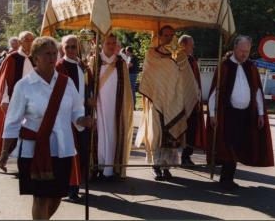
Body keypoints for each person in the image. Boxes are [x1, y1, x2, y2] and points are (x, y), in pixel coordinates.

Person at [0, 36, 94, 220]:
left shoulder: (66, 83)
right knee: (40, 199)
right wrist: (4, 151)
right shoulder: (24, 86)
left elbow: (76, 112)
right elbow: (12, 122)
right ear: (35, 58)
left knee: (57, 196)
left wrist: (83, 120)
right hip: (34, 152)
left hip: (62, 149)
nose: (52, 57)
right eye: (46, 54)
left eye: (54, 53)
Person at [207, 35, 274, 190]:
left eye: (247, 51)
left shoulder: (251, 67)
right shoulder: (224, 66)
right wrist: (212, 114)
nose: (244, 54)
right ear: (235, 48)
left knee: (238, 145)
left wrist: (260, 114)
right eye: (242, 50)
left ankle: (228, 178)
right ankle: (225, 179)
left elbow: (257, 91)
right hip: (227, 114)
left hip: (246, 114)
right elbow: (214, 93)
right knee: (228, 145)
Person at [135, 25, 199, 181]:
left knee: (171, 135)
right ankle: (157, 166)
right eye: (166, 35)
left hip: (174, 100)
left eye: (172, 35)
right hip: (156, 100)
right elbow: (150, 76)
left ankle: (167, 166)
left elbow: (186, 77)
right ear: (160, 35)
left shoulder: (180, 54)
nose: (169, 38)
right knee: (157, 134)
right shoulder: (151, 53)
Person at [55, 35, 93, 202]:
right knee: (70, 153)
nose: (71, 49)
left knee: (82, 150)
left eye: (73, 46)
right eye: (68, 46)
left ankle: (76, 185)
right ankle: (71, 188)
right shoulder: (59, 66)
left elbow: (89, 86)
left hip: (83, 114)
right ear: (62, 48)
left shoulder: (82, 65)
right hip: (67, 116)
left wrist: (91, 97)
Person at [0, 31, 35, 158]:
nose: (29, 42)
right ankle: (7, 155)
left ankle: (25, 156)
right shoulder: (12, 58)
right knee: (12, 127)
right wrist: (5, 100)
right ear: (20, 42)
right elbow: (5, 81)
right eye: (26, 39)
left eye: (31, 39)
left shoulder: (35, 58)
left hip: (33, 99)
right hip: (15, 99)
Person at [93, 34, 133, 180]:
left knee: (112, 133)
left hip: (116, 106)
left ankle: (110, 169)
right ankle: (98, 166)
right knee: (99, 133)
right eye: (108, 43)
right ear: (102, 44)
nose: (111, 46)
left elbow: (127, 88)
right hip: (98, 104)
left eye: (113, 43)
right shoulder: (94, 61)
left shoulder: (120, 62)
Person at [178, 35, 205, 166]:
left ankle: (186, 156)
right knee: (179, 130)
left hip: (193, 101)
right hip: (180, 101)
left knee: (192, 129)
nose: (193, 47)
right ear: (182, 45)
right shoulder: (176, 59)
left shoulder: (192, 60)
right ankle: (169, 159)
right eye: (190, 44)